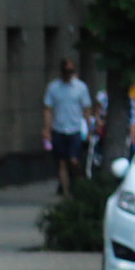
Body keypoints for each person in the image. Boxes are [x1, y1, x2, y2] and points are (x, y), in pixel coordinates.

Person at [43, 59, 93, 195]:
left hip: (75, 129)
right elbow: (48, 108)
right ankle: (66, 193)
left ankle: (78, 181)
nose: (68, 74)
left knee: (74, 160)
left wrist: (89, 129)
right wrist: (47, 128)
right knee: (62, 162)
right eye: (66, 71)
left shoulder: (80, 87)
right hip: (59, 128)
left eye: (70, 71)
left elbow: (87, 109)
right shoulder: (54, 87)